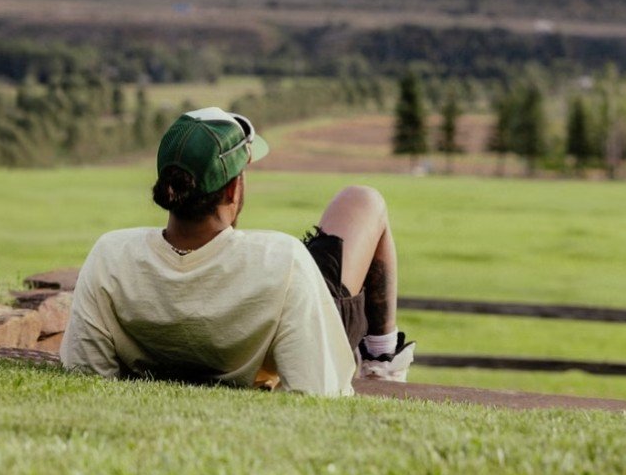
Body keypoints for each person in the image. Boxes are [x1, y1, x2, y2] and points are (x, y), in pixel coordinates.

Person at [60, 107, 414, 395]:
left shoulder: (109, 254)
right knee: (364, 200)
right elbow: (316, 390)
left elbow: (85, 369)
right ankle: (382, 362)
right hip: (290, 303)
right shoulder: (284, 260)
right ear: (232, 190)